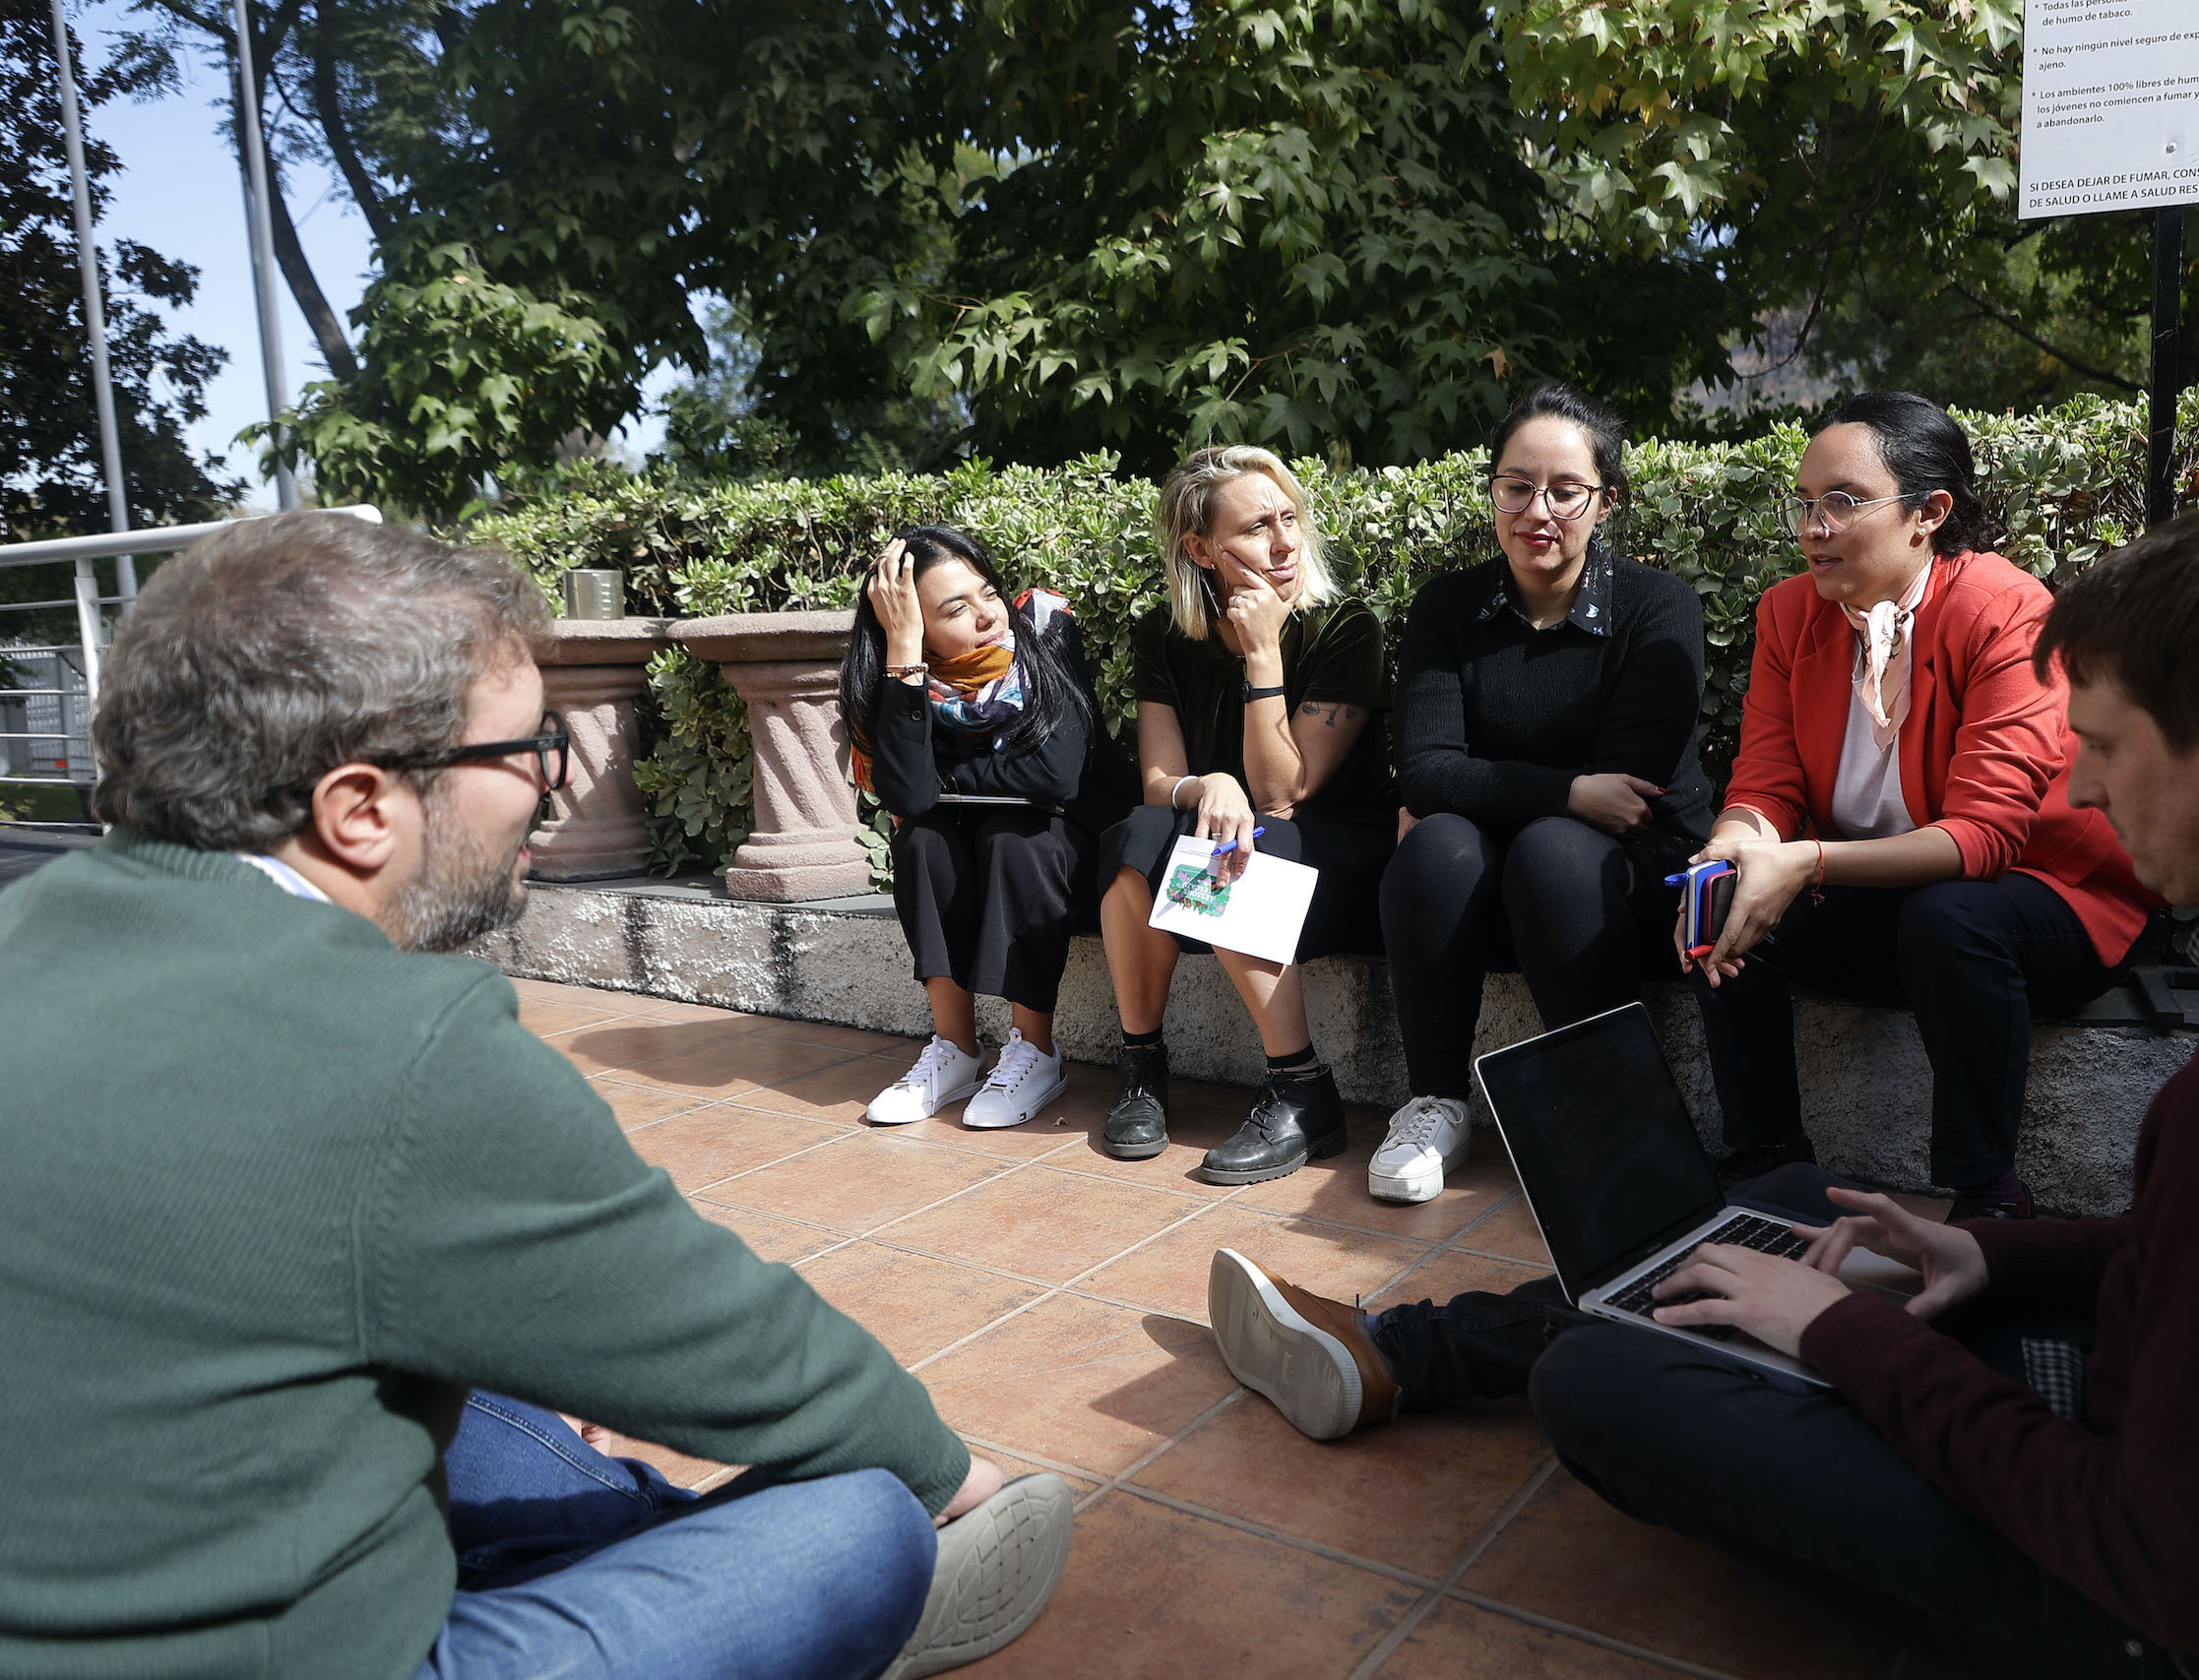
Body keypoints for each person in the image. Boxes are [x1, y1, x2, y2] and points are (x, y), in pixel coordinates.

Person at [1209, 500, 2199, 1675]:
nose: (2082, 784)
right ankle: (1418, 1353)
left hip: (2191, 1621)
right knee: (1788, 1207)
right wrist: (1988, 1254)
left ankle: (1435, 1356)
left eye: (2107, 745)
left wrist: (1842, 1334)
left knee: (1606, 1388)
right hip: (2189, 1455)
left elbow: (2166, 1565)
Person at [0, 514, 1070, 1679]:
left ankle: (641, 1547)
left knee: (485, 1404)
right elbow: (728, 1343)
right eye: (527, 748)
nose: (552, 786)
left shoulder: (30, 923)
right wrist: (947, 1473)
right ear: (361, 808)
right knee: (864, 1513)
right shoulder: (397, 1048)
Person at [1687, 391, 2157, 1219]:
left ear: (1928, 513)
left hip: (2048, 899)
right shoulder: (1789, 614)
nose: (1813, 527)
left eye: (1843, 501)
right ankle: (1770, 1159)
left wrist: (1804, 860)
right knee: (1722, 898)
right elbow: (1765, 784)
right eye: (1804, 502)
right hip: (1887, 898)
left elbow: (1986, 836)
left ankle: (1987, 1194)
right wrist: (1731, 848)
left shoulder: (2003, 609)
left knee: (1949, 915)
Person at [1372, 386, 1716, 1204]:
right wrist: (1567, 789)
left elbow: (1629, 793)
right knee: (1436, 846)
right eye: (1517, 486)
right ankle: (1435, 1103)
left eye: (1566, 490)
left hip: (1632, 872)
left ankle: (1605, 1115)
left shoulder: (1656, 607)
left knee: (1552, 851)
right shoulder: (1448, 608)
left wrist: (1490, 788)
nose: (1538, 511)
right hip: (1495, 864)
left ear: (1606, 501)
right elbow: (1422, 770)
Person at [1097, 444, 1394, 1182]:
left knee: (1244, 841)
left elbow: (1284, 795)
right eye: (1258, 527)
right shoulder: (1166, 635)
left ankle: (1301, 1086)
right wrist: (1208, 784)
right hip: (1223, 843)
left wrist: (1265, 657)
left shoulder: (1345, 627)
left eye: (1289, 517)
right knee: (1137, 835)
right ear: (1202, 549)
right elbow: (1160, 782)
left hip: (1331, 863)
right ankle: (1141, 1068)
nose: (1285, 541)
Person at [842, 525, 1130, 1129]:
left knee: (1011, 834)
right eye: (955, 609)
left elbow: (1055, 775)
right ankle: (956, 1049)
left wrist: (946, 777)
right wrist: (905, 654)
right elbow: (911, 795)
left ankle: (1035, 1051)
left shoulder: (1045, 629)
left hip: (1070, 854)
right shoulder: (898, 676)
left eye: (989, 592)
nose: (987, 616)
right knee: (922, 839)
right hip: (974, 863)